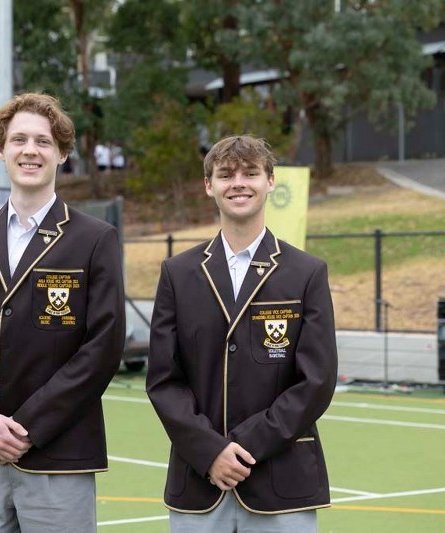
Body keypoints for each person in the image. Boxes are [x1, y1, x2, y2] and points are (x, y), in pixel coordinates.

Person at [0, 92, 126, 533]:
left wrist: (29, 426)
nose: (30, 150)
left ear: (63, 154)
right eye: (18, 140)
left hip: (60, 454)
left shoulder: (95, 239)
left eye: (43, 141)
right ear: (2, 151)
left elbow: (103, 347)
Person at [147, 135, 337, 532]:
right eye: (226, 175)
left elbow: (316, 381)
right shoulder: (177, 274)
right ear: (208, 185)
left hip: (282, 484)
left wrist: (245, 446)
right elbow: (164, 381)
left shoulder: (307, 273)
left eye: (250, 173)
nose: (238, 183)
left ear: (270, 181)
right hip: (199, 483)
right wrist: (210, 451)